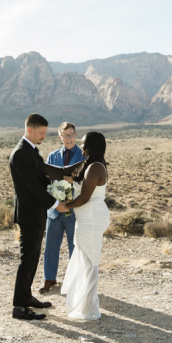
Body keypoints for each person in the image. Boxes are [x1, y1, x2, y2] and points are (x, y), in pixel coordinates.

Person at [8, 113, 62, 321]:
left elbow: (42, 179)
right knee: (26, 259)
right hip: (29, 214)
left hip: (36, 213)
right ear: (29, 130)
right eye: (41, 133)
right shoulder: (21, 153)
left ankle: (27, 297)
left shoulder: (31, 151)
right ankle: (19, 306)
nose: (44, 136)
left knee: (32, 258)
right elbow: (34, 187)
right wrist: (57, 204)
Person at [57, 132, 111, 320]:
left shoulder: (96, 167)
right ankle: (86, 303)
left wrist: (65, 206)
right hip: (87, 217)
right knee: (87, 258)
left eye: (84, 143)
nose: (81, 146)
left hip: (92, 217)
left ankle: (88, 308)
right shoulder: (90, 165)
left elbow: (85, 197)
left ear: (93, 145)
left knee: (90, 260)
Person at [38, 122, 83, 294]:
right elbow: (47, 181)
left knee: (75, 247)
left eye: (71, 135)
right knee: (51, 246)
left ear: (76, 135)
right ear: (60, 137)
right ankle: (49, 279)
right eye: (65, 135)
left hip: (74, 209)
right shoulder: (52, 156)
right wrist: (56, 204)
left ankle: (75, 281)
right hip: (55, 209)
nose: (68, 138)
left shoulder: (82, 156)